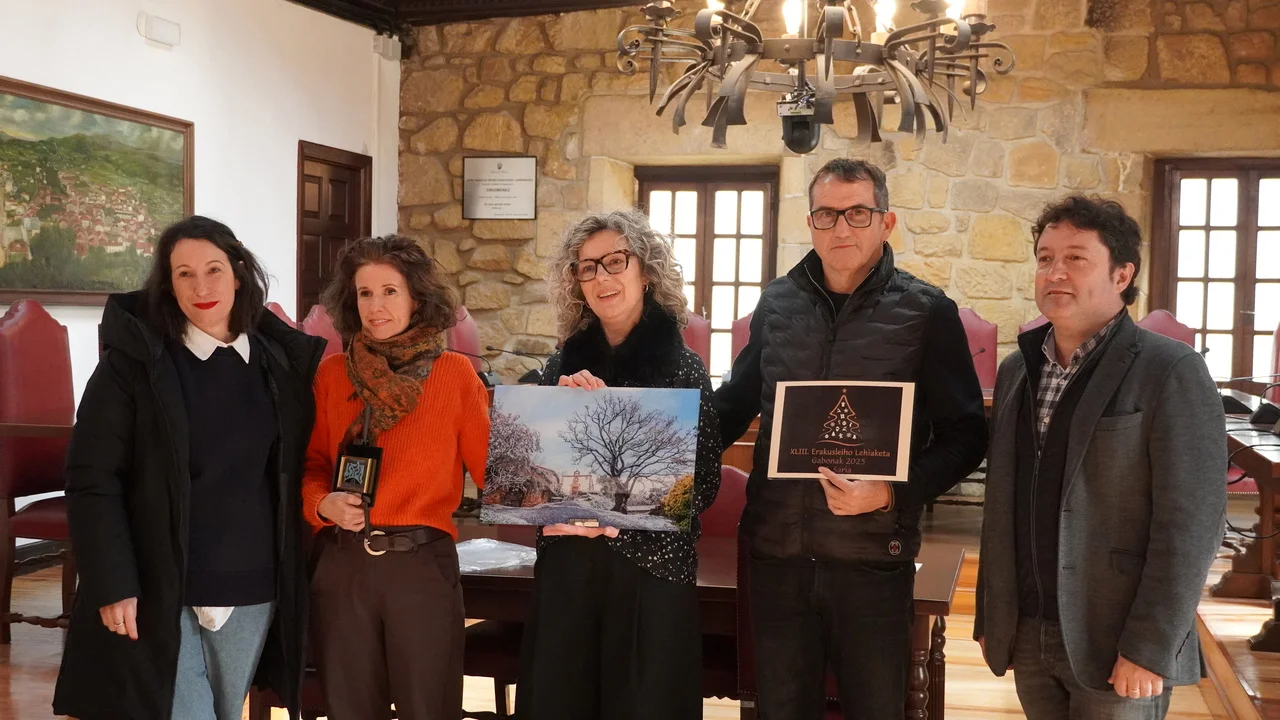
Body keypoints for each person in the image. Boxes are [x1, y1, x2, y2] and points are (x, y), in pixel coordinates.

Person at [714, 158, 988, 720]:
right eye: (827, 214)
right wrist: (650, 434)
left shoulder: (927, 311)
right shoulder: (776, 303)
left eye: (857, 213)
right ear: (810, 223)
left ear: (886, 223)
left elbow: (966, 435)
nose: (841, 228)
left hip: (872, 560)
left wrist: (890, 492)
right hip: (778, 557)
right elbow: (732, 406)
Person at [53, 216, 326, 720]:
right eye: (184, 274)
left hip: (252, 584)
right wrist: (112, 582)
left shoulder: (280, 364)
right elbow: (92, 479)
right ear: (168, 284)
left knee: (224, 711)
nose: (202, 288)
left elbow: (297, 469)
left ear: (238, 273)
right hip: (161, 583)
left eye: (214, 270)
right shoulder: (131, 365)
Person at [974, 196, 1226, 719]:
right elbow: (1002, 505)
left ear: (1122, 274)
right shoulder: (1018, 370)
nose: (1055, 273)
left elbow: (1192, 525)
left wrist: (1149, 646)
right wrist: (993, 616)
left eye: (1076, 258)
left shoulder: (1169, 370)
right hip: (1029, 631)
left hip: (1119, 640)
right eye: (1045, 258)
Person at [515, 209, 723, 720]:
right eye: (587, 267)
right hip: (569, 569)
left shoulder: (683, 367)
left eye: (615, 261)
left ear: (645, 271)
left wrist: (621, 513)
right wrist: (554, 415)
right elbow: (533, 478)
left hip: (649, 572)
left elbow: (703, 484)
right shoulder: (560, 365)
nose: (601, 277)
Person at [302, 234, 489, 720]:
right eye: (365, 293)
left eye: (390, 291)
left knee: (429, 709)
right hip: (343, 566)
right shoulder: (332, 375)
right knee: (349, 711)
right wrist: (322, 504)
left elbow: (496, 473)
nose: (376, 306)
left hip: (421, 567)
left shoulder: (456, 375)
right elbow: (312, 467)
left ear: (417, 298)